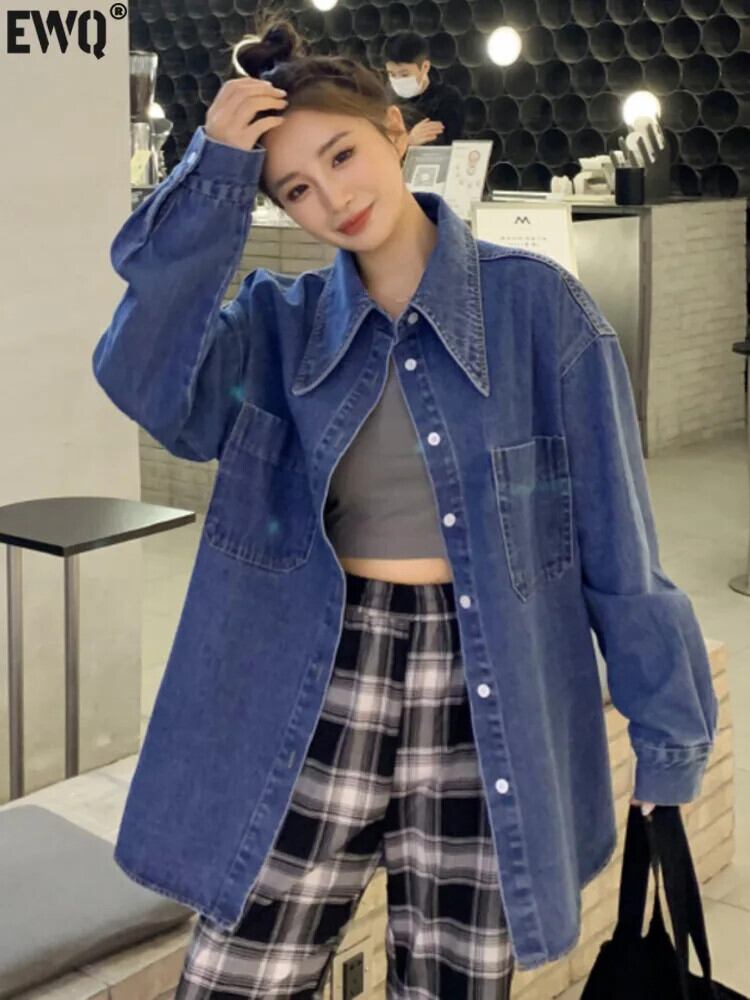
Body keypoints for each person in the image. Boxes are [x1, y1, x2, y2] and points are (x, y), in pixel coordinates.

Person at [92, 20, 717, 1000]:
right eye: (296, 188)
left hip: (484, 685)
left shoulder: (542, 316)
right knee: (237, 978)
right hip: (317, 676)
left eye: (342, 155)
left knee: (452, 983)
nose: (332, 197)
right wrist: (214, 175)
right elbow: (143, 378)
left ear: (397, 130)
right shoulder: (276, 328)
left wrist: (666, 737)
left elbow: (618, 552)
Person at [383, 31, 465, 147]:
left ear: (425, 67)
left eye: (404, 74)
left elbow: (451, 146)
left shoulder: (447, 99)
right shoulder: (385, 100)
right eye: (391, 74)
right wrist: (409, 141)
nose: (397, 79)